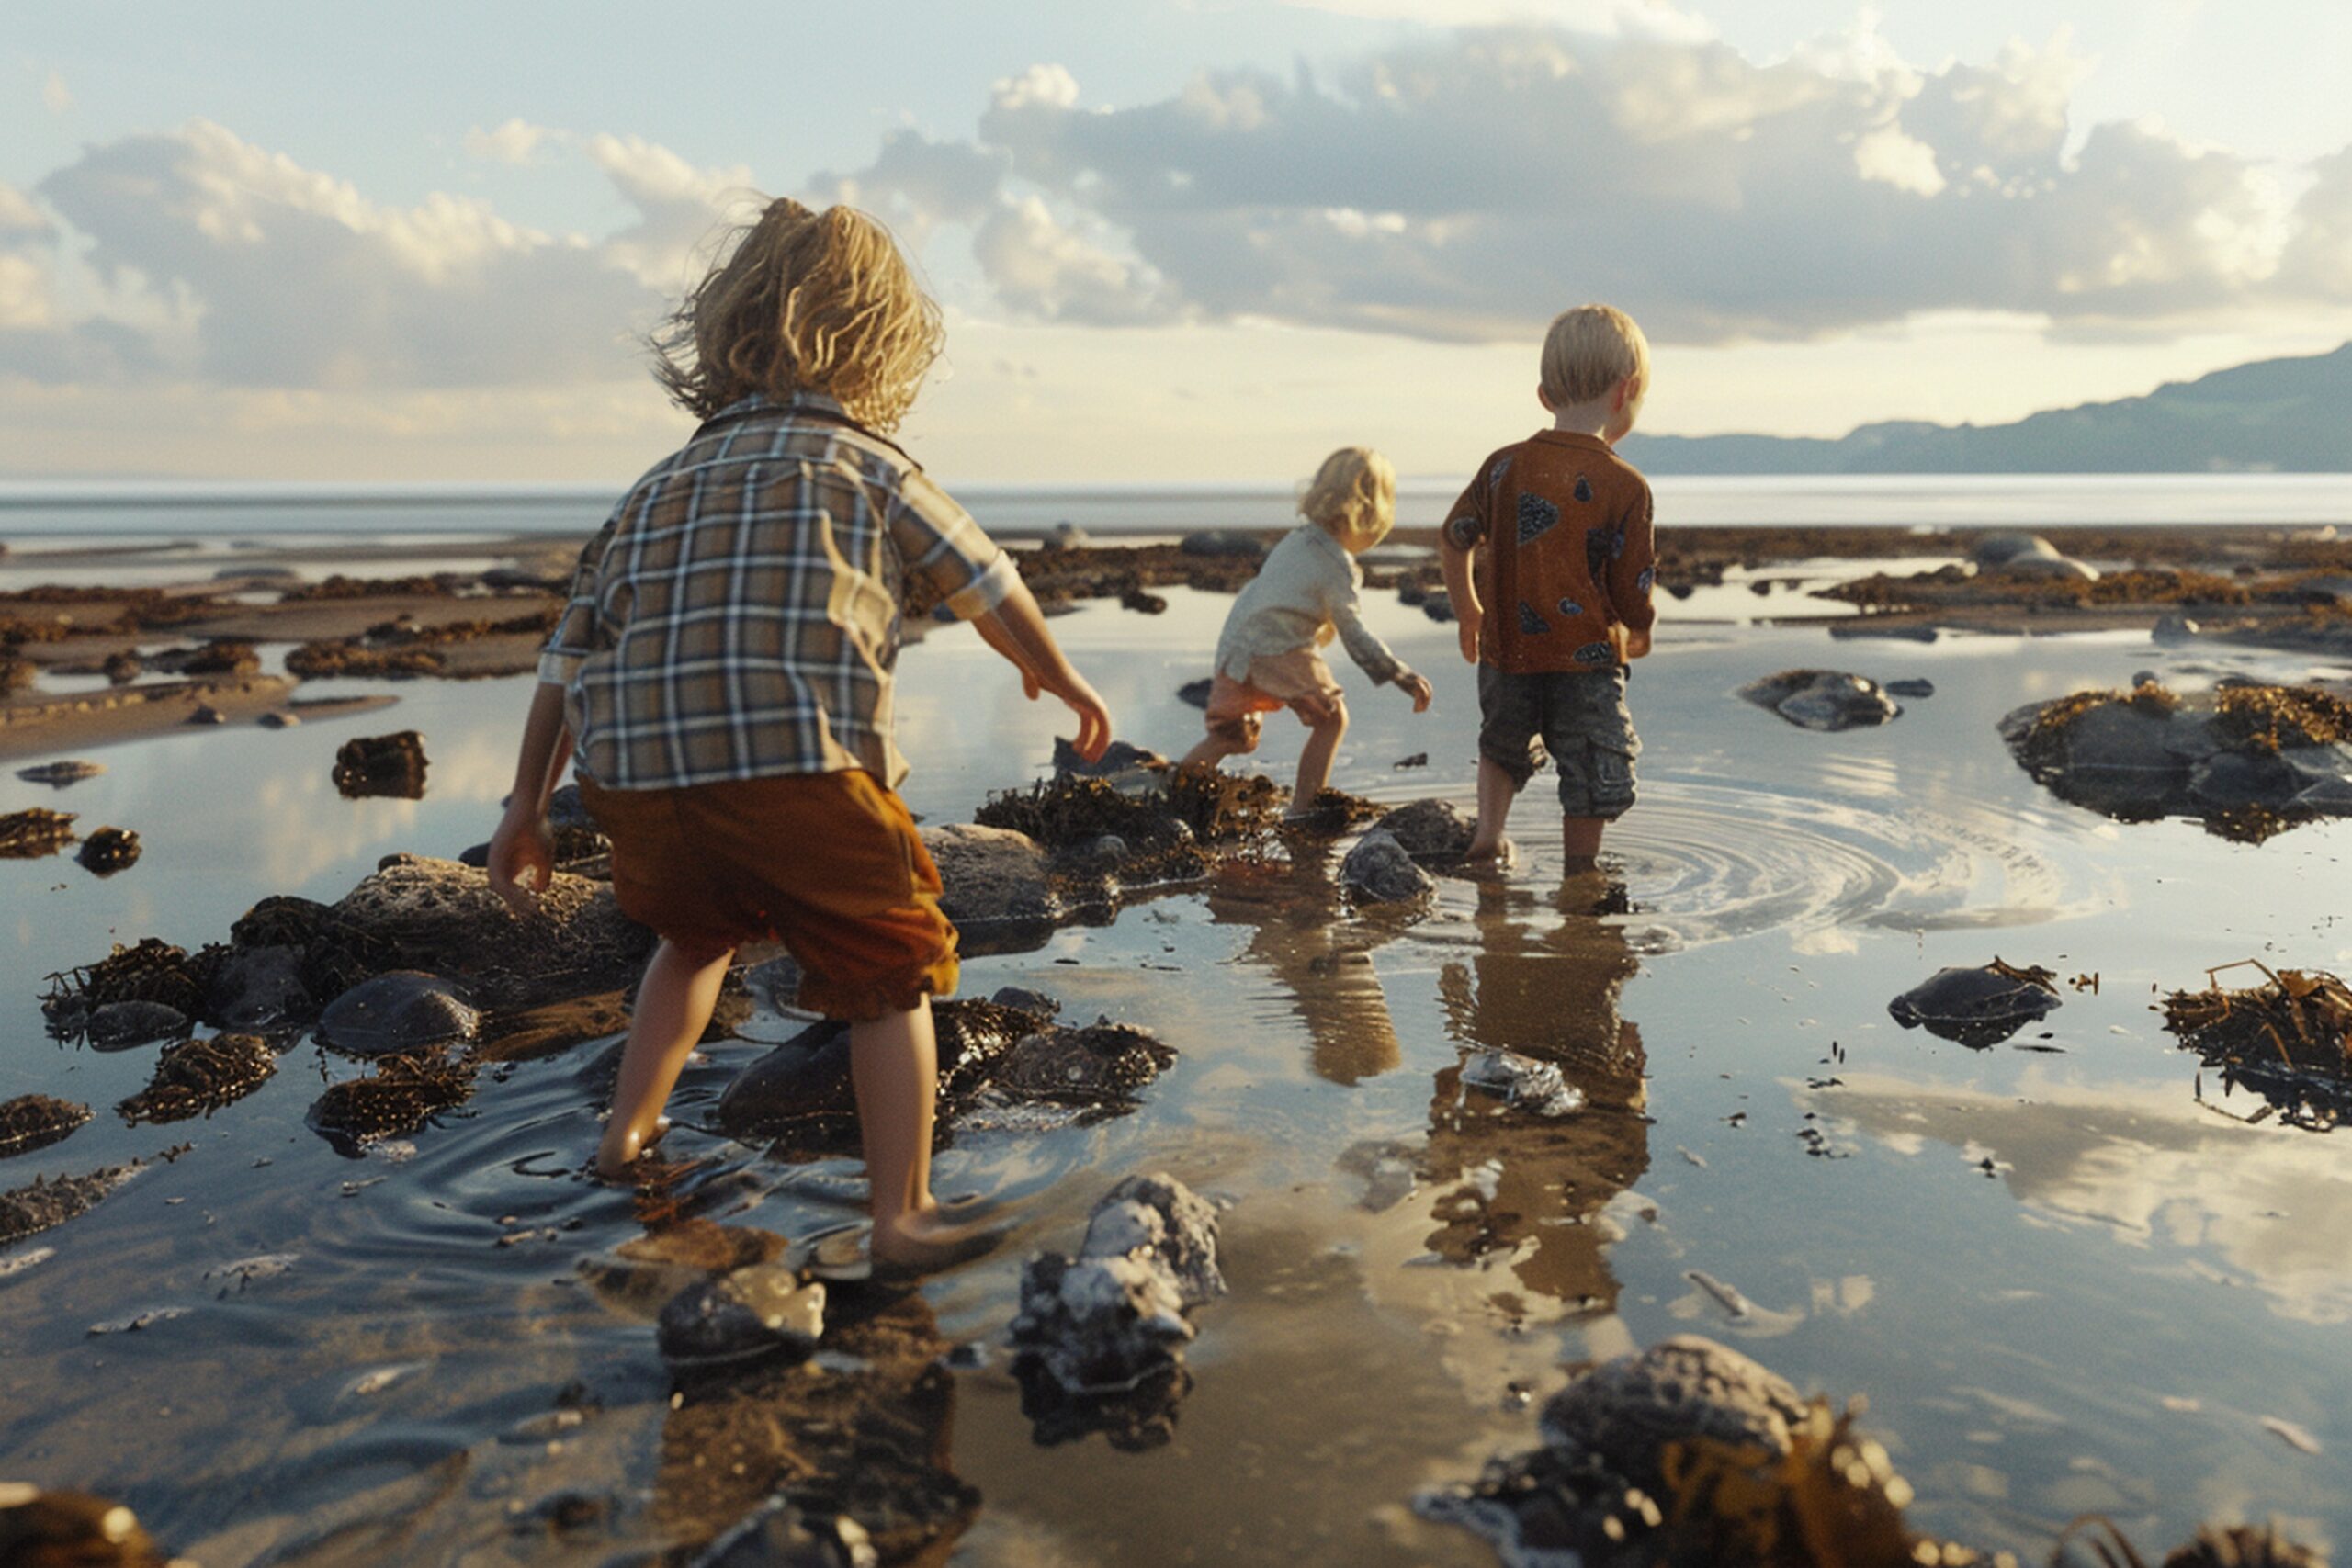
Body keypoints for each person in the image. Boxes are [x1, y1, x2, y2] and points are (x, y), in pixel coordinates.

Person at [486, 197, 1112, 1276]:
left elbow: (565, 658)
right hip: (800, 764)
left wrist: (523, 809)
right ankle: (899, 1215)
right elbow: (985, 582)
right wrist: (1055, 676)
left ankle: (622, 1138)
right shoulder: (866, 463)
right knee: (893, 971)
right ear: (882, 340)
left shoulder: (653, 486)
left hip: (635, 781)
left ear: (722, 329)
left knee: (692, 942)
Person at [1439, 303, 1657, 873]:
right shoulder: (1625, 485)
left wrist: (1469, 611)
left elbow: (1454, 537)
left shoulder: (1503, 467)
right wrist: (1641, 626)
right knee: (1589, 755)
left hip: (1507, 646)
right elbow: (1631, 580)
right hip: (1585, 655)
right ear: (1625, 392)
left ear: (1543, 395)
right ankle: (1579, 868)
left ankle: (1488, 837)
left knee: (1502, 742)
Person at [1178, 446, 1433, 807]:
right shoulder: (1334, 563)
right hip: (1275, 647)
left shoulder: (1297, 539)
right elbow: (1353, 631)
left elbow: (1262, 594)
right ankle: (1304, 807)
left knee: (1233, 734)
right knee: (1331, 718)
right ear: (1371, 510)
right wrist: (1398, 673)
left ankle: (1175, 792)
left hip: (1238, 643)